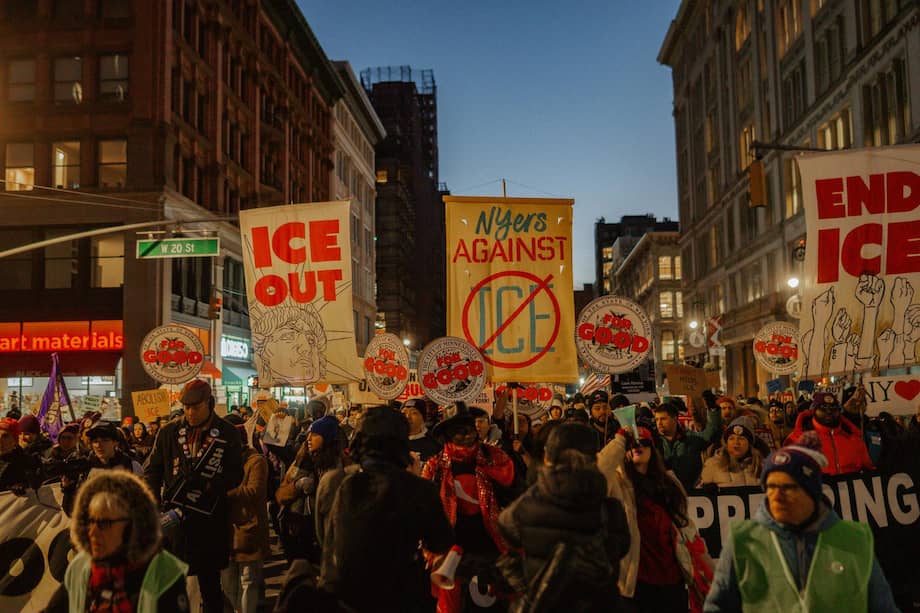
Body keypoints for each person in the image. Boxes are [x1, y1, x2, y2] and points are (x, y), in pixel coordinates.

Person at [704, 433, 900, 612]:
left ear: (812, 492)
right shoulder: (743, 540)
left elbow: (882, 606)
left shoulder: (854, 540)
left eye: (788, 487)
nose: (776, 495)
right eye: (771, 486)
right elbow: (717, 607)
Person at [314, 406, 453, 613]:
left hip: (345, 600)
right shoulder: (417, 488)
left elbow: (324, 536)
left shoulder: (336, 481)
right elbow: (441, 541)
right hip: (399, 598)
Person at [498, 421, 630, 611]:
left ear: (547, 458)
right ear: (594, 460)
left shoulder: (526, 506)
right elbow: (618, 550)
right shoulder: (610, 510)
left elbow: (506, 529)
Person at [144, 379, 243, 613]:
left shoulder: (228, 433)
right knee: (170, 587)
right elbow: (152, 469)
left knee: (211, 587)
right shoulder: (169, 431)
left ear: (210, 403)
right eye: (186, 407)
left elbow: (235, 473)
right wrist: (154, 504)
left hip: (210, 521)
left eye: (195, 407)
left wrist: (209, 484)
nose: (190, 413)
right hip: (174, 521)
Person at [598, 426, 713, 612]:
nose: (637, 447)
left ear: (653, 449)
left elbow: (687, 528)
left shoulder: (668, 482)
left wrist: (704, 569)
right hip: (635, 582)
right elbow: (595, 475)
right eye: (632, 444)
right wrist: (619, 442)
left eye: (644, 443)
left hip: (672, 580)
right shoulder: (617, 483)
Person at [46, 470, 189, 613]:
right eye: (90, 522)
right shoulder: (81, 569)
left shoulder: (162, 574)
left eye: (104, 523)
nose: (92, 532)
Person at [276, 414, 342, 562]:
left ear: (327, 438)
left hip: (326, 531)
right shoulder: (301, 460)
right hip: (297, 527)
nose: (309, 439)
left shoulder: (340, 464)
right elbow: (281, 494)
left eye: (315, 434)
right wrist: (297, 486)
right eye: (308, 434)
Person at [222, 416, 269, 613]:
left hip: (249, 529)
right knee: (228, 583)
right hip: (226, 531)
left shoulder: (255, 461)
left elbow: (253, 491)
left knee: (248, 581)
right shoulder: (223, 461)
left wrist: (224, 492)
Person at [63, 421, 142, 515]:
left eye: (105, 440)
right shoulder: (85, 469)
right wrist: (68, 489)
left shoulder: (131, 466)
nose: (99, 445)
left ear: (115, 442)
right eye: (95, 441)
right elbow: (73, 512)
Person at [785, 392, 873, 475]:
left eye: (833, 408)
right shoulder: (796, 440)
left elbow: (868, 470)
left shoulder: (854, 438)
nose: (829, 411)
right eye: (823, 407)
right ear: (814, 411)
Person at [654, 394, 722, 490]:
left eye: (663, 419)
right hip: (664, 493)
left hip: (691, 492)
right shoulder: (654, 442)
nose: (659, 423)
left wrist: (713, 409)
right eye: (657, 419)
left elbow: (710, 434)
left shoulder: (690, 438)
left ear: (675, 418)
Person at [698, 418, 764, 488]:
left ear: (749, 444)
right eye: (731, 438)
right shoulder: (713, 464)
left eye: (741, 438)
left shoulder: (761, 466)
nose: (736, 443)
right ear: (726, 443)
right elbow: (699, 495)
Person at [0, 417, 43, 493]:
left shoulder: (27, 462)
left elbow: (37, 484)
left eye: (5, 436)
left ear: (14, 441)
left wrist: (23, 485)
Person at [402, 397, 441, 464]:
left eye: (414, 413)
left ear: (423, 418)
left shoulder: (433, 446)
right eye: (404, 413)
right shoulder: (395, 442)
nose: (407, 416)